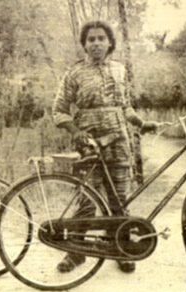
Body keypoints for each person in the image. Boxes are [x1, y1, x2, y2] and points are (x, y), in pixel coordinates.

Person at [52, 21, 160, 274]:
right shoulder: (74, 73)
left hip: (119, 143)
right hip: (89, 144)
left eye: (101, 38)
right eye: (91, 39)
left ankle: (120, 249)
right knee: (87, 201)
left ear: (110, 42)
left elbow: (125, 107)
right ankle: (75, 253)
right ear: (85, 45)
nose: (96, 43)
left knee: (119, 200)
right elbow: (58, 110)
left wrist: (142, 124)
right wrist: (76, 131)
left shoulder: (120, 70)